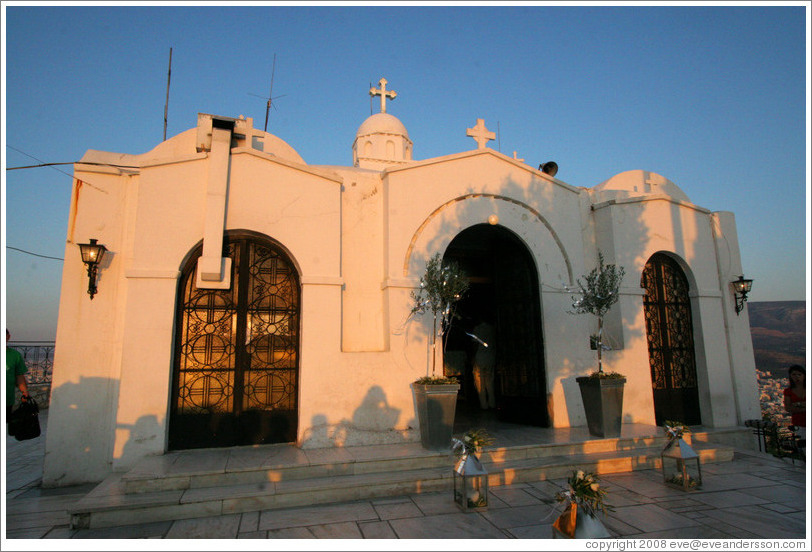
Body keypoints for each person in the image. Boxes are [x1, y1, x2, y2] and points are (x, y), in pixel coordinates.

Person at [6, 329, 30, 425]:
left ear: (8, 337)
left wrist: (25, 393)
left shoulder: (15, 355)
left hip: (7, 400)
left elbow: (19, 376)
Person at [783, 364, 805, 444]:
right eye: (794, 375)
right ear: (790, 376)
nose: (797, 377)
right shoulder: (788, 391)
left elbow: (791, 407)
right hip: (799, 423)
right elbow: (788, 408)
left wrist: (797, 405)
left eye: (799, 374)